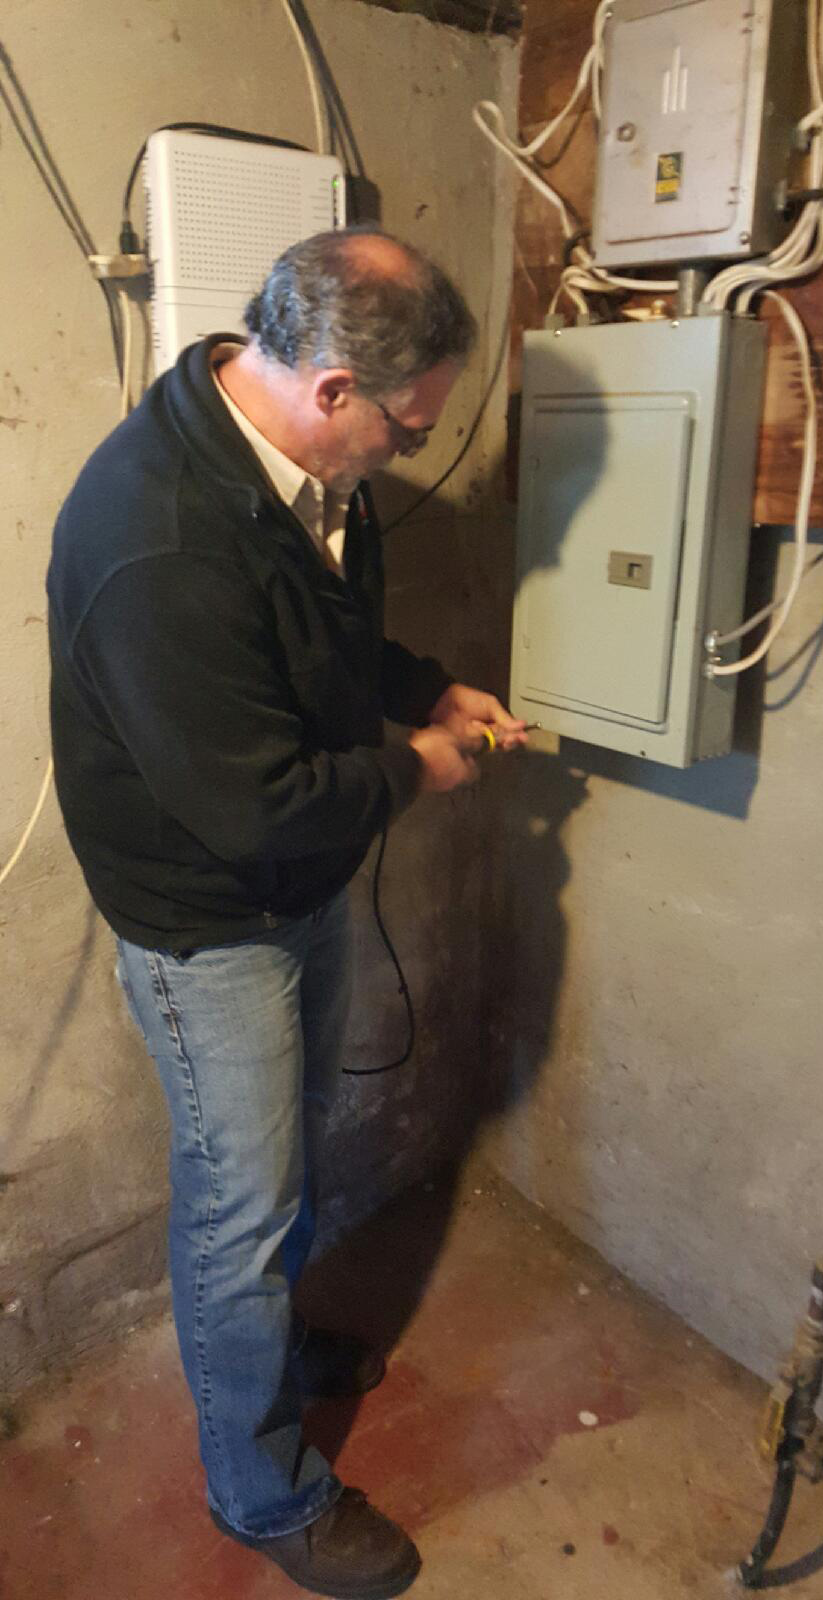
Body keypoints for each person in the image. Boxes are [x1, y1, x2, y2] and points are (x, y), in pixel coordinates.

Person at [46, 228, 526, 1598]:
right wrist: (417, 768)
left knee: (282, 1168)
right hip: (211, 922)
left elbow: (320, 638)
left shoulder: (303, 467)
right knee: (239, 1211)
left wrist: (420, 687)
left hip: (294, 884)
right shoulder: (158, 535)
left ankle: (262, 1345)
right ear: (331, 388)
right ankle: (260, 1489)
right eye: (407, 428)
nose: (409, 449)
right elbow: (253, 806)